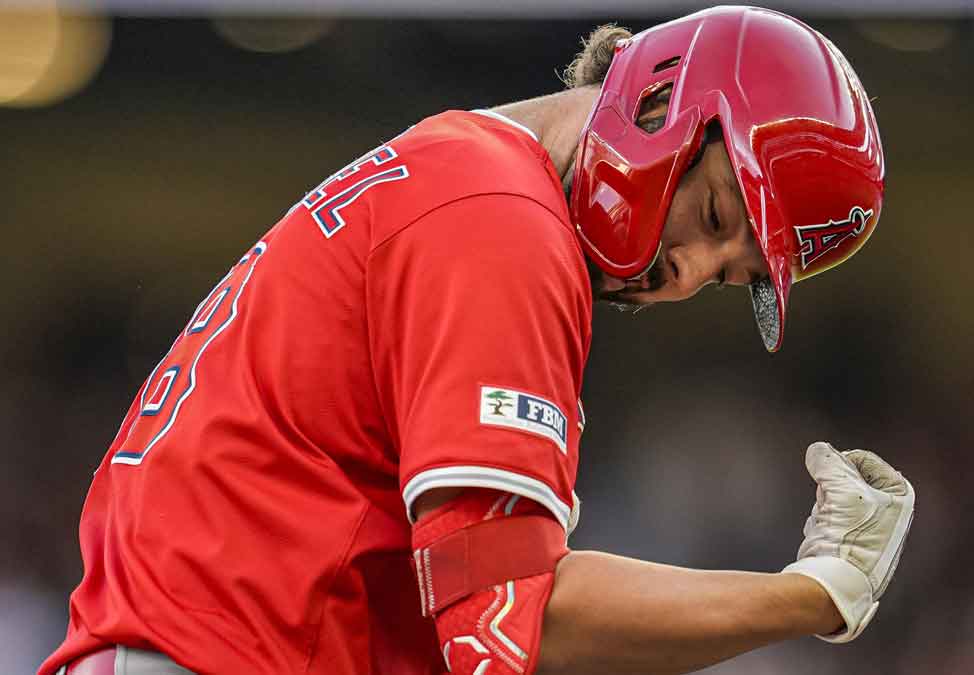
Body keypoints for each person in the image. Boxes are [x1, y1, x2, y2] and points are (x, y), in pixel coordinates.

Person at [41, 6, 913, 675]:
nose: (688, 272)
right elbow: (512, 620)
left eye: (726, 276)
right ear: (660, 98)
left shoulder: (468, 172)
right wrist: (811, 593)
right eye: (717, 215)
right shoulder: (503, 220)